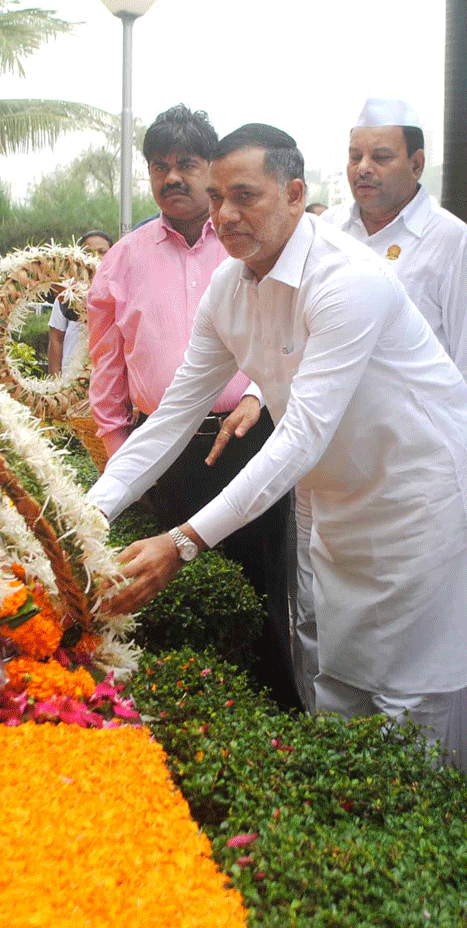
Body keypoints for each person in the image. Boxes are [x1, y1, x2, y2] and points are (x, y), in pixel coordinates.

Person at [90, 122, 467, 766]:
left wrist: (183, 543)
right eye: (217, 199)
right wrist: (86, 517)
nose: (226, 216)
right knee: (341, 695)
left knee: (414, 714)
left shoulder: (349, 279)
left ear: (295, 193)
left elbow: (300, 435)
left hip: (418, 506)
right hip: (338, 510)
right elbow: (171, 418)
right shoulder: (228, 288)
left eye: (245, 196)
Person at [87, 104, 298, 709]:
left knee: (261, 581)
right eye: (159, 166)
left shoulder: (244, 243)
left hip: (251, 438)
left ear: (212, 172)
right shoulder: (122, 257)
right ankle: (186, 707)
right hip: (162, 449)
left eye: (186, 164)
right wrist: (114, 455)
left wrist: (258, 395)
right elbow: (107, 366)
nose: (172, 177)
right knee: (174, 590)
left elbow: (285, 343)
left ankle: (269, 706)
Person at [321, 97, 467, 377]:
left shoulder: (451, 239)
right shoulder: (329, 227)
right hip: (337, 414)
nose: (363, 168)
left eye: (381, 157)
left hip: (421, 418)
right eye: (355, 157)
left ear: (417, 164)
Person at [47, 230, 113, 376]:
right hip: (71, 381)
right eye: (88, 252)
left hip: (106, 381)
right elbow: (56, 339)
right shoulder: (67, 292)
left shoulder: (120, 291)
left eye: (102, 252)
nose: (95, 257)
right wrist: (56, 383)